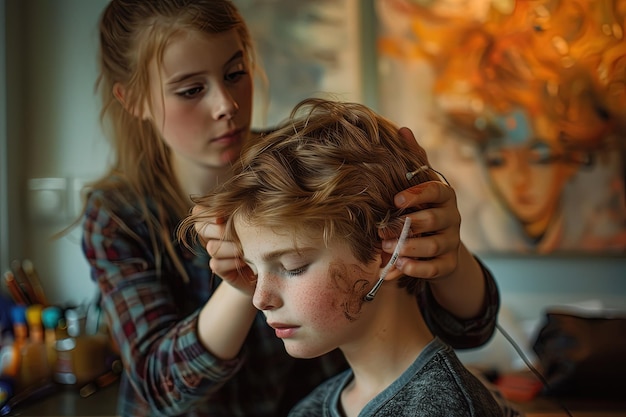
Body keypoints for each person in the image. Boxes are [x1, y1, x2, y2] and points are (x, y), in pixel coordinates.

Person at [81, 1, 500, 416]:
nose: (225, 104)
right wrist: (244, 277)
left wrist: (445, 249)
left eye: (234, 74)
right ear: (132, 99)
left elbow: (469, 326)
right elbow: (162, 387)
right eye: (191, 90)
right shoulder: (118, 216)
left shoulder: (303, 167)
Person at [181, 98, 513, 417]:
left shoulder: (448, 408)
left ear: (389, 253)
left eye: (292, 267)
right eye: (254, 270)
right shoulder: (310, 409)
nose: (260, 299)